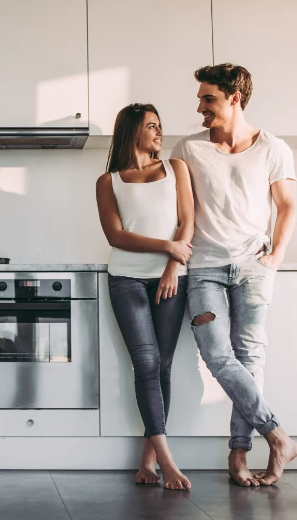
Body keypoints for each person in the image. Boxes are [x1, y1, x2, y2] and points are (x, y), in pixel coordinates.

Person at [170, 64, 297, 486]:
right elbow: (181, 214)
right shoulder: (186, 149)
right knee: (218, 356)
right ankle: (277, 435)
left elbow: (287, 206)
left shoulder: (274, 148)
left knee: (250, 359)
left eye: (208, 98)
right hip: (204, 267)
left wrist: (275, 256)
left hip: (253, 267)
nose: (200, 106)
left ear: (234, 98)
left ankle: (239, 455)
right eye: (201, 98)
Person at [96, 103, 195, 490]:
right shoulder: (109, 181)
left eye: (159, 125)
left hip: (173, 277)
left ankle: (147, 460)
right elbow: (116, 237)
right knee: (147, 362)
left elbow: (188, 221)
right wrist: (167, 247)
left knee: (163, 366)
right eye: (151, 126)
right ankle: (167, 462)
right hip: (126, 278)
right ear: (132, 131)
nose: (159, 132)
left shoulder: (175, 168)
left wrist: (173, 263)